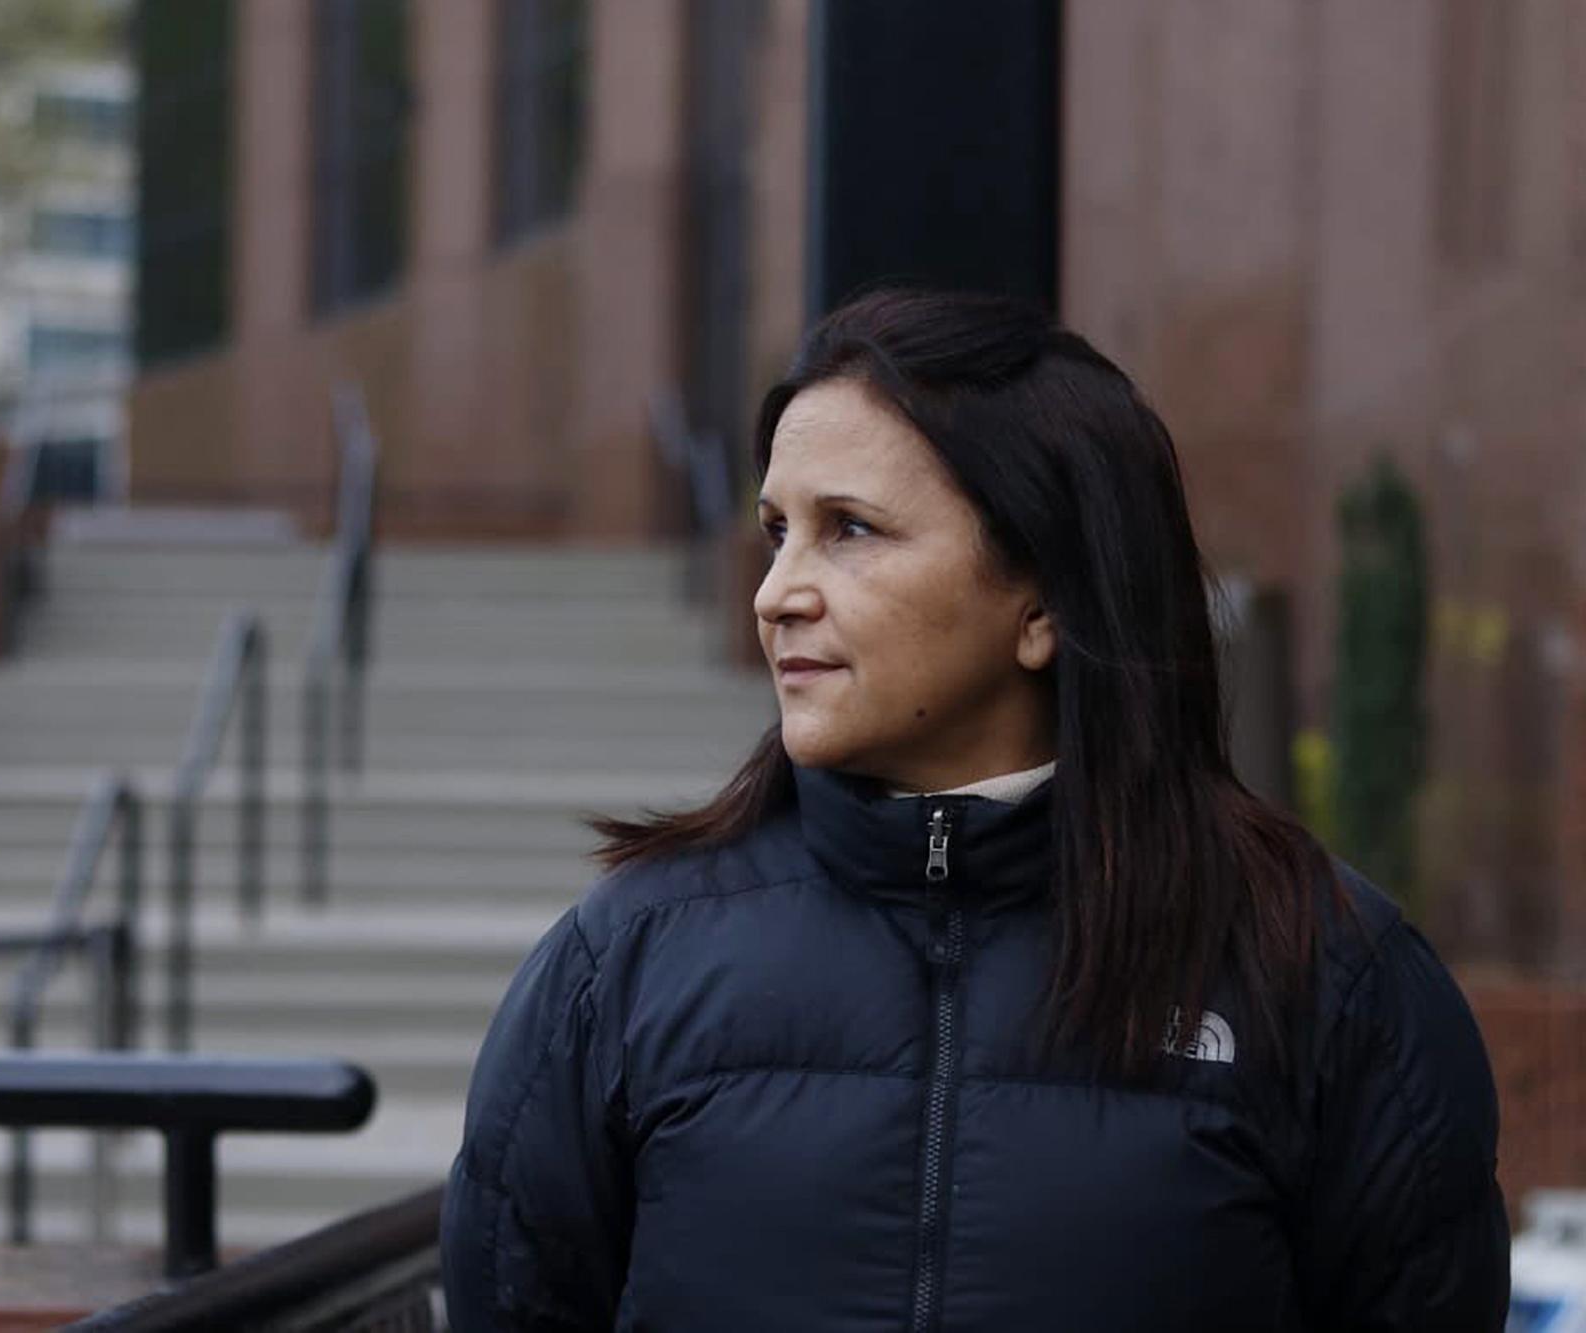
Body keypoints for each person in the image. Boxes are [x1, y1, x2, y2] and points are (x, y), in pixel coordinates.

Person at [439, 288, 1509, 1331]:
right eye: (777, 532)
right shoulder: (621, 964)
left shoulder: (1324, 973)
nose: (776, 593)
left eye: (849, 530)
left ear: (1042, 600)